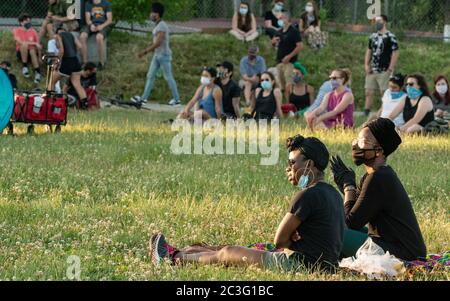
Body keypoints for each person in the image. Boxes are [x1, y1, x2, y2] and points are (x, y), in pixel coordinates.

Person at [149, 135, 345, 273]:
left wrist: (292, 240)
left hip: (302, 265)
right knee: (229, 249)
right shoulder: (334, 194)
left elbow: (279, 241)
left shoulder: (306, 196)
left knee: (228, 253)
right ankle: (183, 252)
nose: (288, 168)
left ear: (309, 164)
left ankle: (172, 259)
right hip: (326, 265)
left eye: (292, 163)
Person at [330, 118, 427, 261]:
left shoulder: (378, 178)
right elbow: (352, 215)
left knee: (330, 232)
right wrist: (345, 186)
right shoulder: (375, 175)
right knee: (333, 225)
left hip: (403, 253)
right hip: (390, 244)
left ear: (379, 151)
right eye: (357, 140)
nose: (356, 145)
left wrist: (348, 187)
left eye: (363, 142)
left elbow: (351, 222)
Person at [131, 2, 181, 106]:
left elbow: (158, 43)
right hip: (157, 55)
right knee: (150, 75)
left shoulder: (162, 26)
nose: (150, 15)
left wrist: (144, 52)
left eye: (152, 12)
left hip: (164, 56)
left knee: (168, 77)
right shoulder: (158, 25)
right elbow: (156, 42)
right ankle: (144, 98)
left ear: (157, 14)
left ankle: (176, 100)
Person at [364, 15, 399, 116]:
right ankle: (366, 111)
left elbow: (395, 52)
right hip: (372, 69)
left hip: (384, 69)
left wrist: (390, 68)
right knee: (368, 91)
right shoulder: (373, 37)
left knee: (384, 93)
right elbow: (369, 51)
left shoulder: (390, 36)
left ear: (385, 22)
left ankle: (384, 111)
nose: (377, 23)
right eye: (375, 21)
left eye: (379, 21)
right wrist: (366, 65)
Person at [52, 25, 88, 108]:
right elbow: (79, 46)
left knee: (52, 81)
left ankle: (51, 101)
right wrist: (73, 52)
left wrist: (56, 62)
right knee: (77, 84)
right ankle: (85, 105)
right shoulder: (71, 35)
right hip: (75, 60)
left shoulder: (58, 36)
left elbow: (61, 51)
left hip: (67, 61)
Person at [272, 11, 303, 101]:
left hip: (289, 63)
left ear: (287, 19)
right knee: (281, 84)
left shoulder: (293, 31)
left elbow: (300, 46)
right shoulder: (279, 31)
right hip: (279, 62)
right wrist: (273, 43)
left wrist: (289, 56)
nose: (280, 20)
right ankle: (283, 103)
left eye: (282, 18)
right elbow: (274, 45)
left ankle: (290, 103)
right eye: (279, 18)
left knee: (289, 83)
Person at [80, 0, 113, 68]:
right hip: (92, 25)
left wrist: (101, 26)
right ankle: (85, 62)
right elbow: (88, 20)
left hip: (103, 24)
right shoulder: (88, 4)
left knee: (99, 37)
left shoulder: (106, 3)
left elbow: (109, 20)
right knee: (82, 36)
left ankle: (101, 62)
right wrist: (91, 25)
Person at [13, 13, 42, 84]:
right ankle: (24, 66)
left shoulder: (33, 31)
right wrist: (34, 43)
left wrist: (40, 57)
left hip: (33, 54)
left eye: (29, 21)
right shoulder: (16, 30)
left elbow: (38, 45)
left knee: (32, 50)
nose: (28, 23)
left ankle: (38, 72)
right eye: (26, 21)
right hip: (21, 53)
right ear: (21, 22)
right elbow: (20, 42)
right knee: (24, 45)